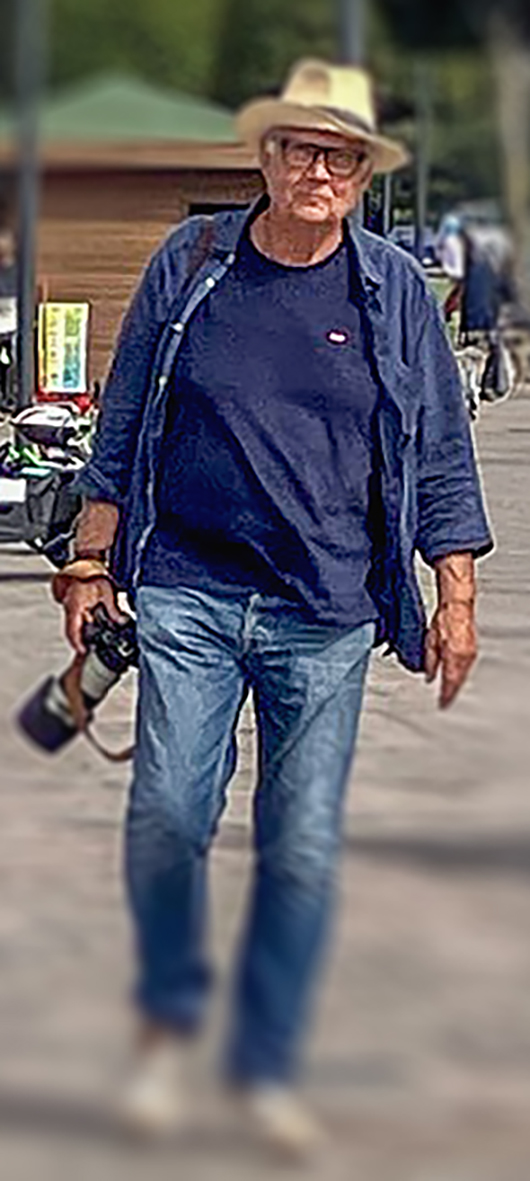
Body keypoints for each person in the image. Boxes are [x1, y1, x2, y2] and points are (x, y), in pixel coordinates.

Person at [57, 59, 493, 1156]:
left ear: (362, 174)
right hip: (189, 590)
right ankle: (166, 1030)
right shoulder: (192, 260)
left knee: (299, 847)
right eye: (300, 149)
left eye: (339, 156)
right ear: (265, 156)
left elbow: (441, 448)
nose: (317, 172)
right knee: (169, 815)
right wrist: (91, 558)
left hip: (327, 608)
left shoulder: (392, 291)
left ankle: (262, 1064)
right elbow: (124, 415)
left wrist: (455, 595)